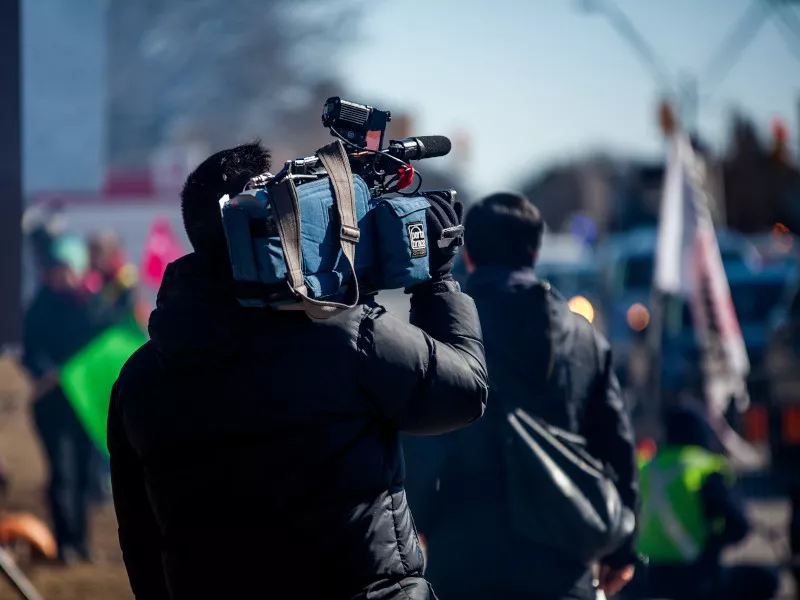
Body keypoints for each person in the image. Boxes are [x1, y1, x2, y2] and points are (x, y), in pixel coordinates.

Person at [107, 141, 488, 599]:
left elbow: (141, 540)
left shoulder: (140, 379)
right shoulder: (349, 337)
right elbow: (465, 392)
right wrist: (436, 283)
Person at [403, 192, 639, 600]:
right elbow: (616, 445)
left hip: (464, 559)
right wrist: (621, 550)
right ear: (534, 251)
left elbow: (424, 439)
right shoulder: (583, 336)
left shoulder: (448, 328)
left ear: (469, 253)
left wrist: (414, 523)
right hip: (564, 561)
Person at [633, 401, 780, 600]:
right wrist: (712, 547)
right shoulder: (705, 468)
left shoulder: (646, 468)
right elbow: (739, 524)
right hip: (695, 578)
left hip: (646, 577)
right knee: (767, 579)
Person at [22, 228, 98, 564]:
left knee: (84, 475)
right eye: (55, 270)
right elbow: (29, 353)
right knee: (62, 475)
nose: (60, 276)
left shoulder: (89, 306)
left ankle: (82, 542)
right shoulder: (39, 307)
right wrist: (46, 371)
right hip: (51, 406)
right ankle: (64, 543)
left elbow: (98, 350)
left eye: (66, 269)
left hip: (84, 406)